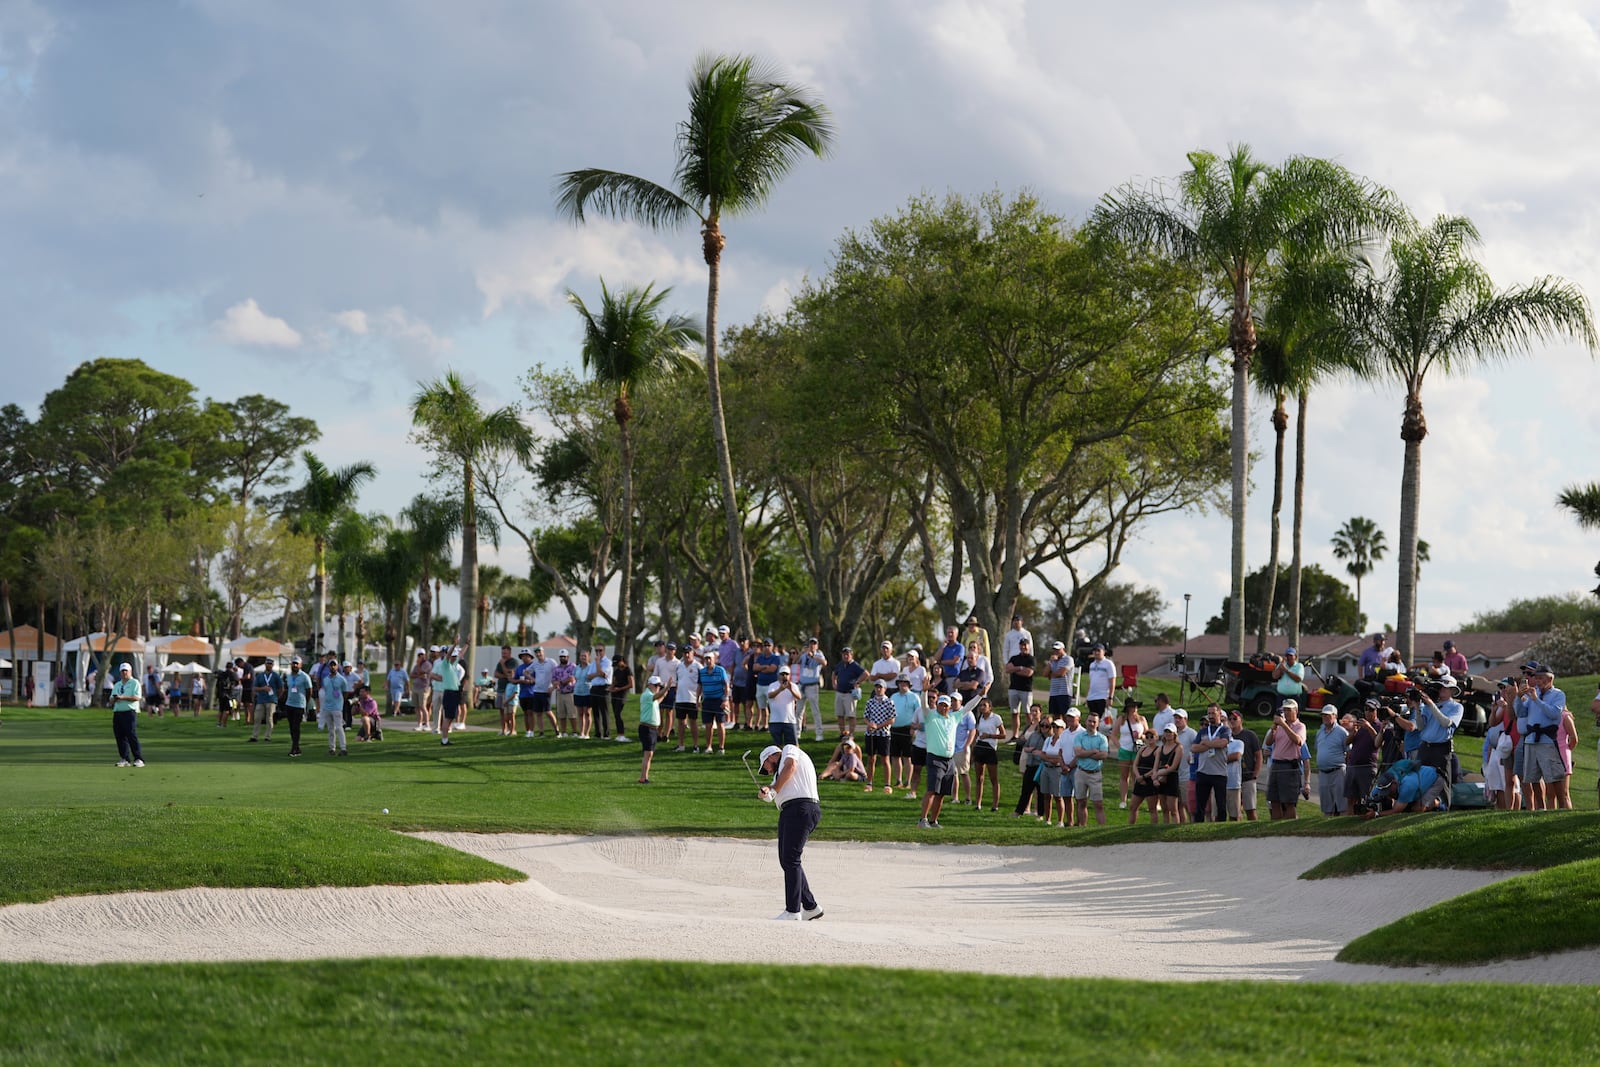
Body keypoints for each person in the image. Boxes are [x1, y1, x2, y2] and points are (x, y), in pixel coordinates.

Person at [756, 743, 824, 921]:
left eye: (766, 767)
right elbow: (773, 790)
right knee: (787, 860)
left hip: (801, 808)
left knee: (791, 860)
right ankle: (811, 907)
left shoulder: (788, 750)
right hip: (791, 810)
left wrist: (774, 789)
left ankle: (793, 911)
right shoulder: (779, 775)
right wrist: (766, 792)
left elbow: (791, 766)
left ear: (771, 756)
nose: (768, 771)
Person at [1515, 665, 1568, 811]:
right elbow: (1521, 713)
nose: (1537, 681)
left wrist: (1536, 700)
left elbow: (1554, 714)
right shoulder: (1533, 694)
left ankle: (1562, 807)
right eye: (1536, 678)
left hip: (1547, 741)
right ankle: (1540, 808)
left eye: (1540, 678)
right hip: (1531, 740)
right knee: (1532, 777)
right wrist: (1519, 698)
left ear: (1550, 679)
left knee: (1555, 776)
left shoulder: (1558, 694)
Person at [918, 694, 962, 829]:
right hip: (935, 759)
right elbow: (924, 705)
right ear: (937, 705)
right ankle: (923, 820)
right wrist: (924, 692)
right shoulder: (931, 717)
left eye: (945, 705)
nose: (943, 707)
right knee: (932, 790)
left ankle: (933, 821)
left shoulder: (954, 718)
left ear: (949, 707)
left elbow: (969, 707)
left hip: (949, 760)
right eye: (940, 705)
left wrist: (981, 695)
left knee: (941, 793)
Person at [1264, 698, 1309, 819]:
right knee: (1274, 800)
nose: (1287, 713)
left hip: (1289, 766)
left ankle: (1290, 826)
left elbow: (1298, 740)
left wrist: (1283, 725)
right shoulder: (1279, 727)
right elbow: (1269, 742)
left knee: (1289, 802)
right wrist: (1274, 727)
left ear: (1296, 711)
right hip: (1276, 764)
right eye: (1285, 710)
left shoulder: (1300, 726)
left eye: (1289, 710)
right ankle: (1276, 827)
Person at [1189, 702, 1232, 822]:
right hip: (1203, 771)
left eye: (1213, 713)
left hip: (1219, 773)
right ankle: (1198, 826)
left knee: (1221, 804)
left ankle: (1221, 826)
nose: (1211, 716)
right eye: (1209, 714)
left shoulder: (1225, 729)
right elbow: (1194, 748)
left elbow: (1223, 743)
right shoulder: (1203, 731)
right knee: (1200, 805)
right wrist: (1212, 744)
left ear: (1219, 713)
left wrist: (1206, 743)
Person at [1073, 708, 1111, 827]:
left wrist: (1086, 753)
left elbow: (1104, 755)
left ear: (1098, 723)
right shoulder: (1080, 737)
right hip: (1081, 772)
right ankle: (1082, 827)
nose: (1092, 724)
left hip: (1095, 773)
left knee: (1098, 803)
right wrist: (1094, 752)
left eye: (1094, 722)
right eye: (1090, 721)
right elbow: (1078, 753)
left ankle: (1102, 829)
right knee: (1081, 802)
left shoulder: (1102, 738)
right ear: (1086, 721)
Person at [1107, 696, 1147, 809]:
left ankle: (1135, 799)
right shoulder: (1122, 719)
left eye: (1135, 706)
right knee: (1124, 775)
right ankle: (1123, 800)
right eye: (1132, 706)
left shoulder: (1142, 719)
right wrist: (1119, 746)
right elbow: (1113, 735)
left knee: (1136, 775)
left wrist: (1141, 736)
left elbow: (1149, 736)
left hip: (1137, 750)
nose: (1134, 709)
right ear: (1128, 708)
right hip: (1124, 750)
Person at [1012, 705, 1050, 819]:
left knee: (1041, 791)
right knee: (1026, 790)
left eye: (1046, 725)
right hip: (1030, 764)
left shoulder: (1050, 738)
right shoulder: (1034, 735)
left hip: (1042, 766)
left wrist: (1040, 753)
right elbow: (1026, 746)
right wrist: (1031, 750)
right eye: (1042, 725)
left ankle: (1040, 814)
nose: (1044, 727)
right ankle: (1019, 811)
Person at [971, 696, 1007, 811]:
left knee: (993, 778)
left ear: (990, 707)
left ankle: (995, 805)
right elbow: (976, 734)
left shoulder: (996, 718)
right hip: (979, 746)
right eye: (981, 705)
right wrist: (973, 748)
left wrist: (989, 736)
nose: (982, 708)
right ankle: (978, 804)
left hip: (990, 748)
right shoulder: (979, 718)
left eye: (984, 705)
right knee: (979, 777)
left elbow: (1003, 735)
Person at [1344, 701, 1382, 814]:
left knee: (1366, 799)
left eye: (1371, 710)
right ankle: (1349, 822)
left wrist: (1369, 727)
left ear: (1376, 711)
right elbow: (1347, 742)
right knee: (1351, 798)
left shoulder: (1379, 725)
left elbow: (1378, 743)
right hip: (1353, 766)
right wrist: (1354, 732)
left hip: (1367, 767)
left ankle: (1366, 819)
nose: (1368, 712)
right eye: (1366, 709)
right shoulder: (1361, 725)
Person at [860, 680, 896, 792]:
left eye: (880, 687)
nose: (878, 689)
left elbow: (892, 719)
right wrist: (869, 724)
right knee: (871, 759)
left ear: (885, 689)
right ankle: (869, 783)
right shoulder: (870, 702)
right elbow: (865, 717)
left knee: (885, 759)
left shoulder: (889, 702)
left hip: (884, 734)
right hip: (871, 734)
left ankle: (887, 785)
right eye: (876, 687)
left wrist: (879, 726)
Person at [1313, 707, 1350, 816]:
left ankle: (1343, 829)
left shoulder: (1342, 732)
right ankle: (1327, 828)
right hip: (1323, 772)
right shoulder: (1320, 732)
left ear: (1335, 716)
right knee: (1326, 806)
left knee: (1342, 805)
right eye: (1324, 715)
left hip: (1338, 771)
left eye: (1328, 715)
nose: (1325, 718)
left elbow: (1349, 751)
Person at [1226, 708, 1261, 822]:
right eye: (1230, 719)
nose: (1232, 721)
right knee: (1234, 811)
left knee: (1250, 809)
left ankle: (1255, 830)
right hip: (1232, 778)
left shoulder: (1250, 735)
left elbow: (1259, 755)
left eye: (1235, 718)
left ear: (1241, 720)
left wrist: (1255, 774)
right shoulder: (1226, 737)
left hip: (1247, 777)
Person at [889, 675, 920, 792]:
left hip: (908, 729)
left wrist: (914, 728)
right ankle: (898, 780)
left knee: (907, 757)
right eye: (901, 682)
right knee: (895, 756)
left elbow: (918, 713)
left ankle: (908, 781)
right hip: (894, 729)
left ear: (909, 684)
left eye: (905, 682)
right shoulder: (893, 696)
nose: (903, 684)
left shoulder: (914, 697)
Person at [1037, 716, 1069, 826]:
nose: (1055, 728)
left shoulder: (1064, 741)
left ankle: (1060, 821)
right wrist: (1053, 759)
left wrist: (1053, 759)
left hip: (1057, 770)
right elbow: (1043, 754)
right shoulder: (1048, 739)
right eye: (1053, 726)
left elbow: (1062, 757)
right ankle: (1048, 819)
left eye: (1058, 727)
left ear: (1063, 729)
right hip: (1046, 768)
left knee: (1058, 796)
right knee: (1046, 795)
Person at [110, 663, 144, 767]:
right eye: (123, 671)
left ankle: (138, 758)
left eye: (126, 671)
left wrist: (123, 698)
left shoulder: (134, 683)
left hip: (129, 712)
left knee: (131, 735)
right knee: (120, 736)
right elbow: (111, 699)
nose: (124, 673)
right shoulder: (117, 684)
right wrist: (115, 699)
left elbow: (137, 697)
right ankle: (125, 758)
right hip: (118, 712)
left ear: (130, 671)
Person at [698, 648, 730, 755]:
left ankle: (721, 748)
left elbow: (726, 686)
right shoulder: (702, 672)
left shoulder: (720, 670)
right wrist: (698, 699)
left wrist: (725, 700)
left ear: (714, 659)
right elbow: (700, 686)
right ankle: (709, 747)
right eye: (706, 659)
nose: (708, 661)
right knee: (708, 725)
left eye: (710, 659)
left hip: (719, 700)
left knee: (720, 724)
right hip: (707, 701)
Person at [432, 646, 466, 747]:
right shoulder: (445, 665)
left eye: (455, 657)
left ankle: (445, 739)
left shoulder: (454, 665)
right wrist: (455, 644)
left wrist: (467, 644)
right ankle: (444, 740)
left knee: (450, 717)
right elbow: (448, 656)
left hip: (454, 692)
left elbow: (461, 655)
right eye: (452, 656)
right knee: (447, 718)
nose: (454, 658)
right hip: (449, 692)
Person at [795, 637, 827, 742]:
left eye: (814, 644)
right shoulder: (804, 655)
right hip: (802, 685)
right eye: (810, 644)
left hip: (812, 686)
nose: (812, 646)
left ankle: (819, 733)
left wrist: (813, 656)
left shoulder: (819, 654)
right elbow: (795, 661)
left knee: (815, 711)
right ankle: (797, 732)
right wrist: (801, 652)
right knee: (798, 711)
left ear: (817, 646)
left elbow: (824, 663)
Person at [1003, 637, 1035, 740]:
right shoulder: (1014, 658)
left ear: (1028, 646)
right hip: (1014, 688)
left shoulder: (1031, 659)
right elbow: (1007, 669)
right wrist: (1020, 668)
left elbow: (1029, 673)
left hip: (1026, 689)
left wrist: (1015, 669)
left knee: (1028, 713)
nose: (1023, 647)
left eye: (1025, 645)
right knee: (1014, 712)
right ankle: (1015, 735)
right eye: (1022, 645)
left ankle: (1029, 734)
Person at [1129, 729, 1161, 825]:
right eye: (1147, 737)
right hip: (1140, 781)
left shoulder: (1158, 750)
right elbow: (1135, 765)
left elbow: (1156, 767)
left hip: (1150, 781)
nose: (1149, 739)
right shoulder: (1142, 749)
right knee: (1133, 807)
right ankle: (1130, 827)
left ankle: (1153, 828)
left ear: (1156, 738)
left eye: (1152, 736)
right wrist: (1138, 776)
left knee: (1152, 808)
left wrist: (1144, 777)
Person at [1170, 708, 1196, 824]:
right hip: (1174, 774)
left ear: (1185, 719)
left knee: (1187, 803)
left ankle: (1193, 823)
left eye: (1179, 718)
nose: (1177, 720)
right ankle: (1182, 825)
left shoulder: (1191, 733)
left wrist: (1191, 757)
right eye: (1175, 717)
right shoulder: (1173, 733)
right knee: (1178, 804)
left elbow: (1196, 749)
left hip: (1187, 774)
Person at [1152, 722, 1182, 823]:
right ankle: (1165, 826)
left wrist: (1158, 773)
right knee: (1164, 809)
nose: (1168, 734)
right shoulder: (1161, 748)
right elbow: (1155, 765)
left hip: (1172, 779)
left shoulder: (1178, 748)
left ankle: (1174, 828)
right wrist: (1155, 777)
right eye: (1166, 732)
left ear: (1174, 734)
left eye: (1170, 732)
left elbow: (1173, 767)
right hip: (1161, 780)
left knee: (1173, 809)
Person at [319, 659, 350, 756]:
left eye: (334, 665)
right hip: (327, 707)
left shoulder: (341, 679)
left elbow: (345, 693)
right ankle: (332, 748)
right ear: (328, 667)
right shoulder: (326, 679)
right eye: (331, 665)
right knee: (330, 729)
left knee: (339, 728)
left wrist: (340, 702)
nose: (332, 667)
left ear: (337, 666)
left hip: (337, 707)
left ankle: (343, 748)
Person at [637, 675, 663, 783]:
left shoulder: (652, 696)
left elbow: (658, 699)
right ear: (650, 685)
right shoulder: (647, 695)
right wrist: (666, 688)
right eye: (656, 685)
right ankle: (643, 777)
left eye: (659, 686)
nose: (658, 687)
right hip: (647, 728)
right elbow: (657, 697)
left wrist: (665, 692)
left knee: (649, 754)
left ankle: (644, 777)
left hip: (652, 729)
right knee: (648, 754)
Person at [766, 666, 801, 748]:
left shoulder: (793, 686)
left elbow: (799, 697)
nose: (784, 676)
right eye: (782, 674)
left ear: (789, 675)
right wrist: (780, 689)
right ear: (779, 675)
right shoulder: (773, 685)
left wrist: (791, 689)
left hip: (789, 720)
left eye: (786, 674)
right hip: (775, 720)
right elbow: (770, 695)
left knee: (793, 745)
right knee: (777, 745)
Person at [250, 661, 281, 743]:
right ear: (265, 664)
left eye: (270, 664)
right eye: (268, 664)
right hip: (261, 699)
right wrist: (263, 688)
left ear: (273, 665)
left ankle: (267, 736)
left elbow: (281, 688)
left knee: (269, 718)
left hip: (271, 700)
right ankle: (254, 736)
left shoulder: (275, 676)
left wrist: (276, 697)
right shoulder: (260, 675)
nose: (269, 665)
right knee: (257, 718)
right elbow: (255, 688)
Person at [1084, 644, 1117, 719]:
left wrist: (1110, 697)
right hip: (1092, 697)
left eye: (1098, 651)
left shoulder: (1108, 664)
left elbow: (1112, 681)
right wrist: (1087, 696)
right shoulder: (1092, 665)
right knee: (1093, 720)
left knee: (1103, 721)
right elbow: (1091, 681)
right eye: (1095, 651)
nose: (1096, 653)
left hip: (1103, 697)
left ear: (1104, 652)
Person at [550, 649, 577, 739]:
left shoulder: (572, 666)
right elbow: (553, 680)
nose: (562, 658)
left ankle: (574, 731)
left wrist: (560, 682)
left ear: (567, 657)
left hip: (570, 693)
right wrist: (556, 683)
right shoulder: (556, 668)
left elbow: (571, 678)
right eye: (561, 657)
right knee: (561, 714)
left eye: (564, 656)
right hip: (560, 693)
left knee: (572, 714)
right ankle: (564, 732)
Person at [1046, 641, 1075, 721]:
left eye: (1058, 650)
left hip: (1064, 692)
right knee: (1055, 715)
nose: (1056, 652)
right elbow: (1045, 673)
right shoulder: (1053, 660)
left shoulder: (1068, 659)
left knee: (1065, 715)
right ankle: (1058, 732)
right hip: (1054, 692)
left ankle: (1067, 731)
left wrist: (1051, 675)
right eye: (1055, 650)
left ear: (1063, 649)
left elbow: (1061, 673)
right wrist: (1050, 662)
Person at [493, 644, 518, 737]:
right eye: (502, 653)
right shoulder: (500, 662)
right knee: (501, 711)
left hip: (508, 690)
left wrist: (503, 664)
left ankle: (512, 729)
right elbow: (495, 674)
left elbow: (509, 673)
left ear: (510, 653)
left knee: (509, 713)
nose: (503, 655)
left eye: (505, 653)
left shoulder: (513, 662)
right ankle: (504, 729)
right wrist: (504, 675)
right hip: (500, 688)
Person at [607, 653, 632, 742]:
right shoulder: (616, 671)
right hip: (615, 694)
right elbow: (614, 682)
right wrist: (610, 688)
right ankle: (619, 735)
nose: (616, 665)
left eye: (617, 663)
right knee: (615, 714)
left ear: (621, 661)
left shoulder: (627, 670)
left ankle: (622, 734)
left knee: (618, 713)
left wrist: (619, 689)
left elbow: (631, 684)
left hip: (622, 694)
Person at [410, 651, 435, 733]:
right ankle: (419, 725)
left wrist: (418, 665)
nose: (421, 657)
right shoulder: (417, 664)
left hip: (424, 688)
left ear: (425, 655)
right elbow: (412, 675)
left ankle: (427, 724)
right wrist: (418, 675)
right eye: (419, 655)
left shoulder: (427, 664)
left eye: (422, 655)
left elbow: (421, 672)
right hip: (415, 687)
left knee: (423, 707)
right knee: (417, 707)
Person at [936, 627, 965, 695]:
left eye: (952, 633)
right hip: (942, 678)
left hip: (952, 677)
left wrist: (941, 662)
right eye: (948, 633)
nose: (950, 634)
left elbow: (954, 661)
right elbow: (936, 658)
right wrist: (942, 647)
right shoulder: (944, 646)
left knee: (951, 697)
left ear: (956, 634)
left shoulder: (959, 647)